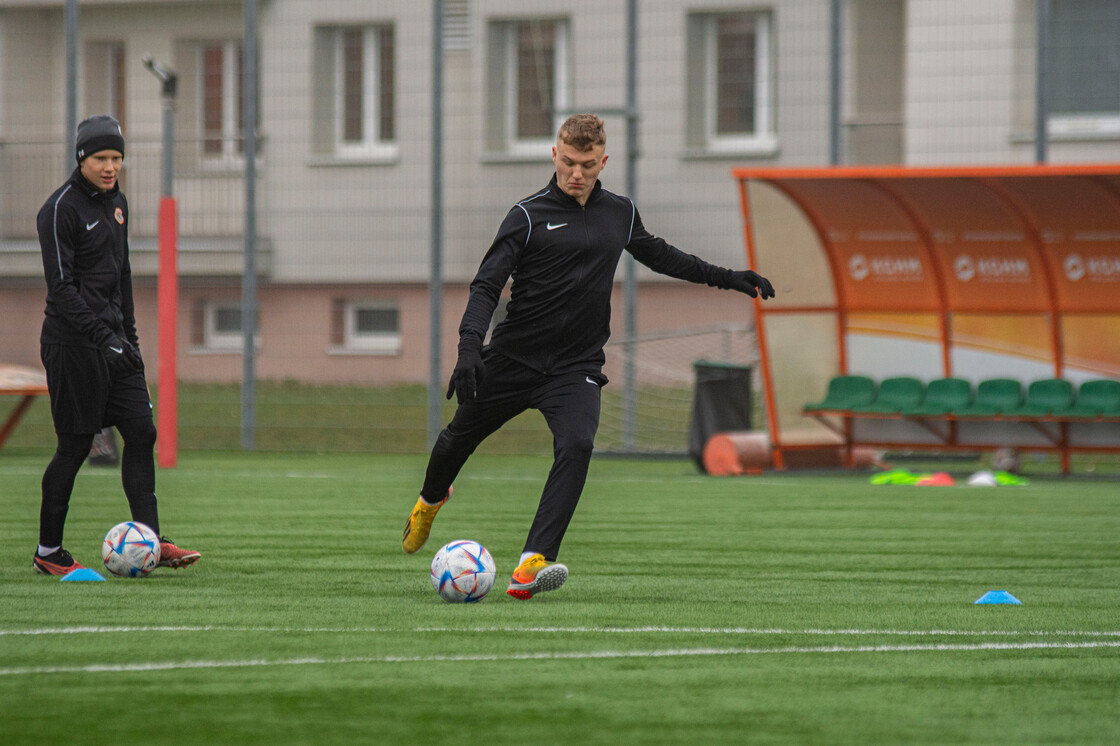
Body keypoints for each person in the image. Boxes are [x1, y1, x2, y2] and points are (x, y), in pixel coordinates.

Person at [402, 113, 774, 599]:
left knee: (577, 444)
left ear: (603, 162)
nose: (576, 174)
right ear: (555, 155)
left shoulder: (619, 212)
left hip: (574, 367)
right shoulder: (528, 215)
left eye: (587, 165)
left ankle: (533, 562)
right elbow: (485, 286)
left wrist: (728, 277)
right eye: (569, 163)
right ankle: (430, 501)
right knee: (454, 441)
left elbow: (663, 255)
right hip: (514, 359)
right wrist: (470, 347)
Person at [33, 114, 200, 576]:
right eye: (102, 158)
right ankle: (48, 553)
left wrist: (129, 337)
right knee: (74, 445)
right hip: (73, 346)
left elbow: (121, 275)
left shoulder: (118, 203)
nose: (111, 167)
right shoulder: (59, 209)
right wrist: (104, 337)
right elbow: (62, 291)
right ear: (82, 158)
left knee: (142, 432)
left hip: (116, 345)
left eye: (117, 158)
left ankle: (151, 541)